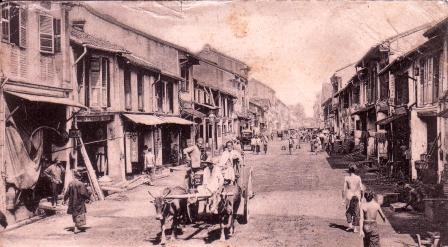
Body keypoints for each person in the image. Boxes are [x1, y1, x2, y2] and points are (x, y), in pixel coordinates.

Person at [343, 165, 363, 232]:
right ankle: (355, 228)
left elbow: (344, 189)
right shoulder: (358, 178)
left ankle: (350, 225)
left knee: (348, 211)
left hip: (349, 196)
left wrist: (343, 199)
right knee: (356, 212)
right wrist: (361, 198)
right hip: (357, 196)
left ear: (349, 170)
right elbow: (361, 189)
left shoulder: (347, 178)